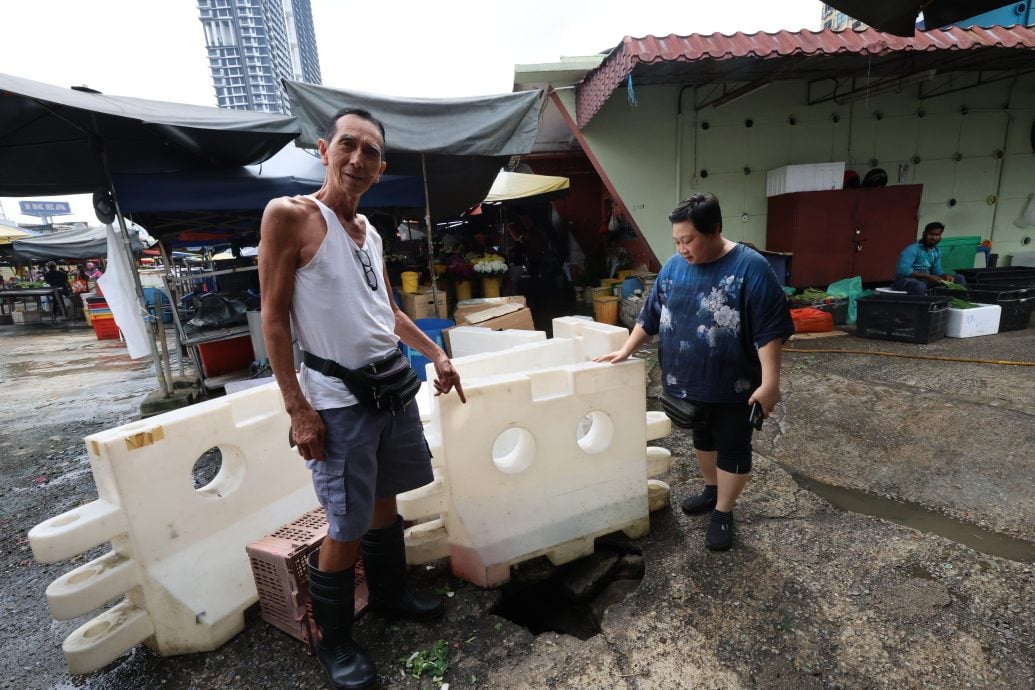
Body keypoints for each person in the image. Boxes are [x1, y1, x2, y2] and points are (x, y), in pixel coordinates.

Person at [259, 107, 466, 690]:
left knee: (384, 499)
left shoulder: (369, 231)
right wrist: (298, 409)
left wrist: (439, 353)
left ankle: (393, 593)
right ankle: (337, 642)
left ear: (381, 168)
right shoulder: (291, 216)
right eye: (347, 145)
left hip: (392, 385)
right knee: (345, 523)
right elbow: (273, 320)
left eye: (370, 152)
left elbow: (388, 312)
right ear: (323, 149)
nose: (357, 159)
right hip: (337, 400)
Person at [595, 193, 793, 551]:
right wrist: (625, 350)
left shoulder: (751, 268)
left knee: (733, 446)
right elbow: (651, 314)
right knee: (702, 437)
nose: (682, 248)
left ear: (715, 229)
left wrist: (770, 383)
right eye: (677, 241)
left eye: (689, 240)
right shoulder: (673, 266)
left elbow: (770, 330)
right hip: (689, 380)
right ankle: (711, 489)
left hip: (735, 384)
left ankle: (723, 512)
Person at [891, 222, 966, 295]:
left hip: (924, 280)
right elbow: (904, 271)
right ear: (924, 234)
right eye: (930, 234)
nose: (933, 237)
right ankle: (920, 307)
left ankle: (955, 303)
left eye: (937, 235)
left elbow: (937, 271)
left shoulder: (936, 251)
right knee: (920, 286)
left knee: (959, 278)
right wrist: (928, 276)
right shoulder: (912, 249)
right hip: (904, 280)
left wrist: (944, 275)